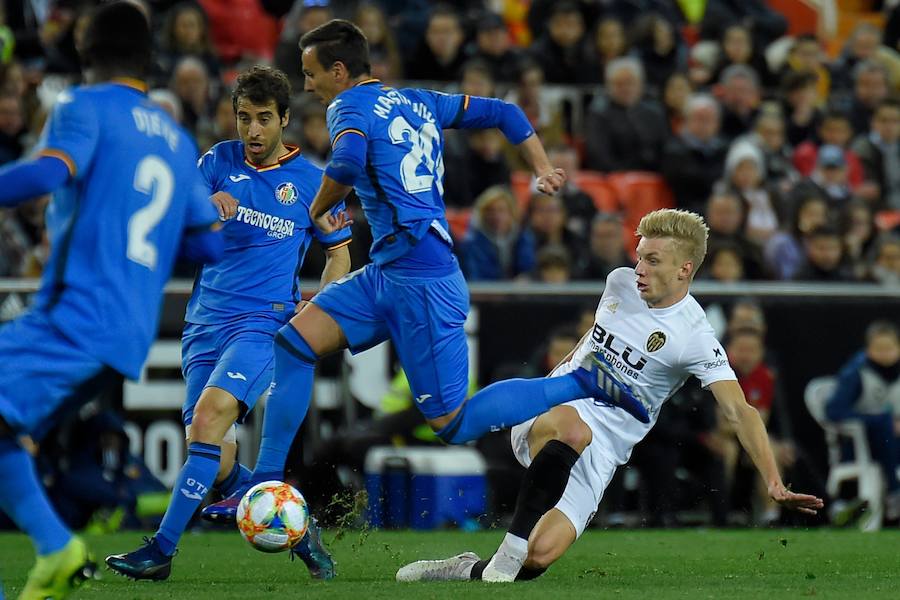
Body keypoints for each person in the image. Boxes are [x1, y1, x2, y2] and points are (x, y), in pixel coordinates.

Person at [202, 19, 648, 522]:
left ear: (340, 71)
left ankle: (582, 382)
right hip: (387, 270)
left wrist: (310, 212)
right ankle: (263, 483)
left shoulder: (346, 106)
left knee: (453, 423)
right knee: (293, 343)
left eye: (310, 73)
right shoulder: (418, 100)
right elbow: (505, 112)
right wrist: (540, 166)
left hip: (422, 278)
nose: (306, 84)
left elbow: (346, 165)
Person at [396, 209, 823, 583]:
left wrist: (771, 477)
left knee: (539, 556)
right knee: (573, 430)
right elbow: (588, 341)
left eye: (652, 260)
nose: (638, 267)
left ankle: (467, 567)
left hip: (605, 450)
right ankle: (505, 558)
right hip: (557, 411)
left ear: (684, 270)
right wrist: (558, 380)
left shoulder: (695, 337)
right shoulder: (618, 282)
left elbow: (739, 409)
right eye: (639, 255)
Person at [0, 3, 224, 598]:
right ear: (148, 61)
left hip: (72, 316)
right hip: (126, 333)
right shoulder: (177, 141)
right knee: (5, 436)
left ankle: (58, 548)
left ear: (85, 52)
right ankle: (53, 555)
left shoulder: (83, 107)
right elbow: (208, 246)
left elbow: (47, 175)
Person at [105, 65, 351, 582]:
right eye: (244, 118)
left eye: (264, 119)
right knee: (212, 455)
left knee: (213, 416)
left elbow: (339, 258)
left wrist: (316, 313)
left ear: (285, 118)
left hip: (262, 325)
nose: (253, 131)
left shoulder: (314, 182)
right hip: (203, 326)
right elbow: (176, 218)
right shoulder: (215, 162)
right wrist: (202, 208)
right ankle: (299, 529)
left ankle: (161, 551)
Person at [825, 320, 900, 521]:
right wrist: (874, 420)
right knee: (883, 422)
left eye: (889, 348)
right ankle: (894, 491)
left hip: (895, 442)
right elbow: (833, 410)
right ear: (868, 349)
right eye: (878, 349)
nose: (884, 354)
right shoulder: (856, 373)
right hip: (861, 446)